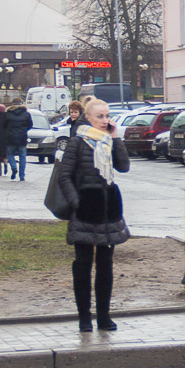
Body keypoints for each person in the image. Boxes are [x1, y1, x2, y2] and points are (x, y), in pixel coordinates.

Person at [57, 98, 131, 332]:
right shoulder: (77, 143)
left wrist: (117, 137)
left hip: (108, 212)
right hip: (85, 214)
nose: (105, 120)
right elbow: (64, 176)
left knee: (105, 267)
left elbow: (124, 166)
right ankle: (84, 318)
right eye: (100, 116)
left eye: (107, 116)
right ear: (87, 117)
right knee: (83, 266)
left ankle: (104, 316)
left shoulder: (109, 140)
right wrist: (77, 203)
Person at [5, 97, 32, 181]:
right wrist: (24, 130)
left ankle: (13, 167)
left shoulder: (8, 114)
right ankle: (22, 175)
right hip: (22, 138)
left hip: (11, 138)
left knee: (10, 154)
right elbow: (30, 125)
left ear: (12, 104)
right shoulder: (26, 114)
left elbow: (4, 125)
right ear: (21, 104)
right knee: (22, 156)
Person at [0, 104, 9, 176]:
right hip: (5, 137)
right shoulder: (7, 116)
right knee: (4, 155)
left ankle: (0, 171)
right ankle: (6, 164)